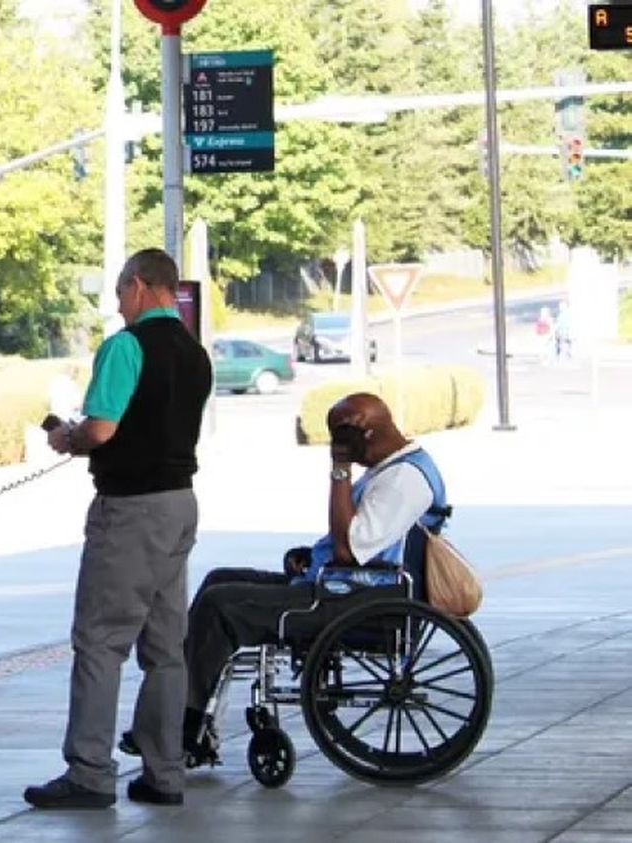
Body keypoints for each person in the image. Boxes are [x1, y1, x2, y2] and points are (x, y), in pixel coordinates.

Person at [147, 392, 448, 760]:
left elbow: (349, 550)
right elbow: (357, 542)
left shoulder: (403, 479)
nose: (336, 445)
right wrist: (312, 555)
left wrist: (339, 470)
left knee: (220, 604)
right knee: (218, 579)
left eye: (339, 437)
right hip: (344, 585)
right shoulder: (393, 468)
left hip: (355, 600)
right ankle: (184, 710)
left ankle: (185, 723)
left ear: (365, 434)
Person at [23, 248, 213, 810]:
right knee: (165, 647)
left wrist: (68, 438)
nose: (116, 303)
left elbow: (102, 430)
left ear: (137, 285)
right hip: (181, 504)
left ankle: (89, 772)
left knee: (101, 642)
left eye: (118, 291)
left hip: (130, 510)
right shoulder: (194, 353)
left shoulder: (125, 346)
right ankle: (165, 772)